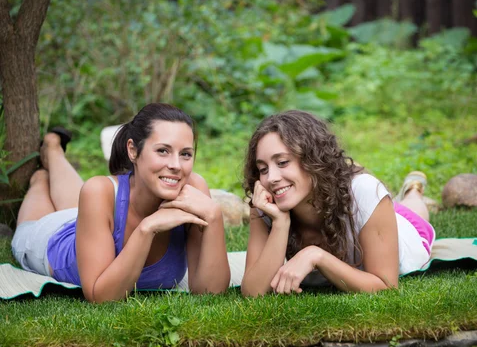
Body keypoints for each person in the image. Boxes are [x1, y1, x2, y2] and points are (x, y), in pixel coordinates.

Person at [12, 103, 231, 302]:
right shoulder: (98, 191)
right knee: (40, 189)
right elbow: (101, 297)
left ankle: (52, 150)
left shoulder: (193, 188)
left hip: (90, 224)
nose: (176, 165)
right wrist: (148, 228)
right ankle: (46, 160)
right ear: (133, 150)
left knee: (73, 207)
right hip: (49, 239)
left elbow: (210, 292)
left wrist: (214, 216)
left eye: (185, 154)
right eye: (163, 151)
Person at [241, 110, 435, 297]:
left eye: (282, 162)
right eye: (263, 169)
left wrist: (316, 256)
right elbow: (253, 292)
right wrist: (280, 224)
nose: (271, 178)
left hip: (406, 229)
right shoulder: (266, 206)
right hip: (370, 213)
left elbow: (385, 286)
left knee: (412, 211)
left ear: (313, 159)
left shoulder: (365, 192)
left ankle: (413, 190)